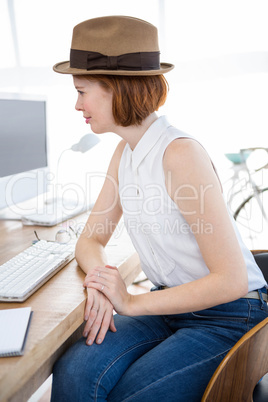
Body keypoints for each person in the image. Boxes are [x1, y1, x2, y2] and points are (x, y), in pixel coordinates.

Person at [51, 16, 268, 401]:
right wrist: (102, 284)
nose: (76, 104)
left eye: (82, 91)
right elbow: (91, 239)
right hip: (167, 305)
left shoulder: (179, 154)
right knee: (73, 373)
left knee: (126, 395)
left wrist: (130, 300)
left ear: (117, 89)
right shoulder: (125, 152)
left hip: (228, 317)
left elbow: (231, 280)